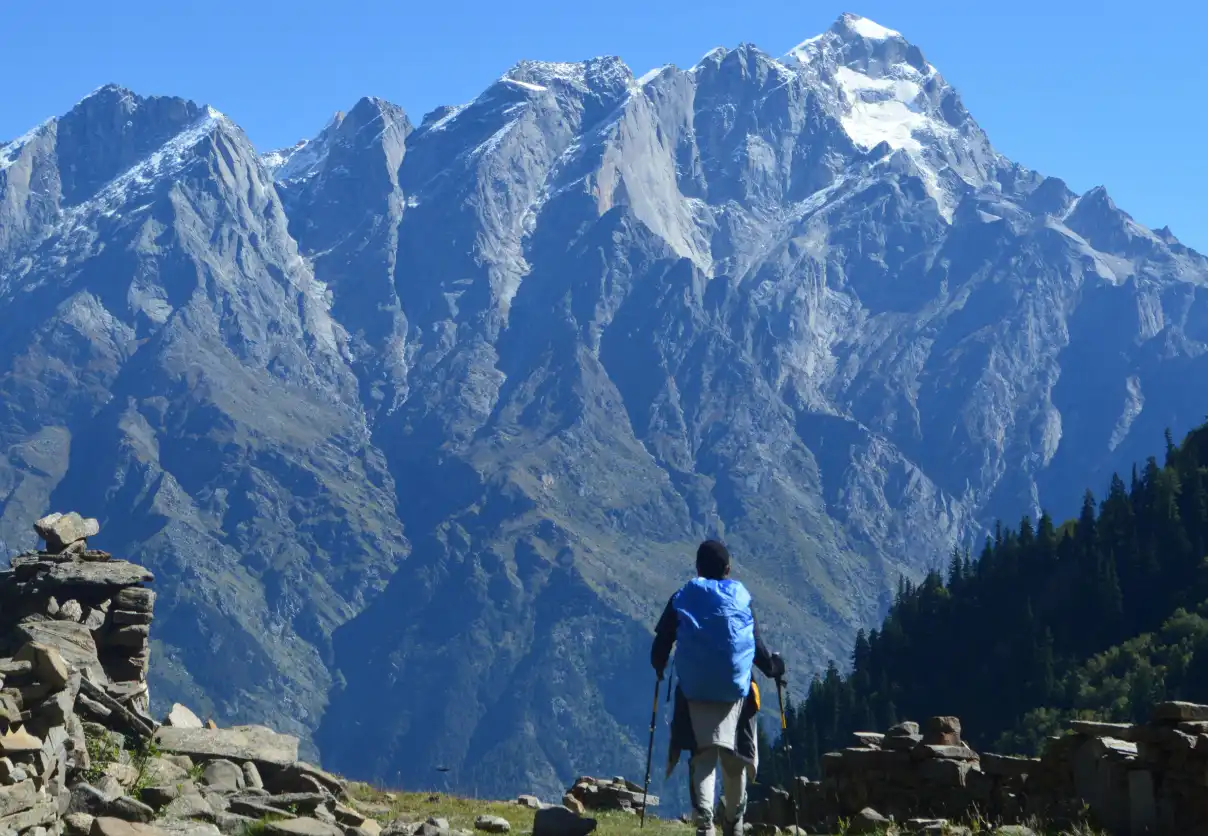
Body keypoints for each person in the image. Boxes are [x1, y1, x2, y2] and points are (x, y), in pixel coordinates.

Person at [651, 540, 785, 836]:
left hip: (694, 693)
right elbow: (759, 653)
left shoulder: (684, 596)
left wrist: (659, 666)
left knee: (703, 757)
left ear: (697, 569)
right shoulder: (741, 599)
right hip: (736, 694)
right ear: (728, 570)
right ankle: (734, 824)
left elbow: (660, 644)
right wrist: (777, 667)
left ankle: (705, 823)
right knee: (734, 761)